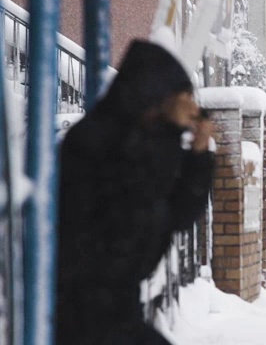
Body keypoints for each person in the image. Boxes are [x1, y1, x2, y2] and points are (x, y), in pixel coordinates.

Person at [56, 41, 214, 345]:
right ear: (159, 93)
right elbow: (140, 210)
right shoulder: (102, 141)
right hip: (80, 312)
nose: (194, 107)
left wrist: (199, 156)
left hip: (115, 309)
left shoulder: (144, 141)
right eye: (186, 96)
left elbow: (178, 214)